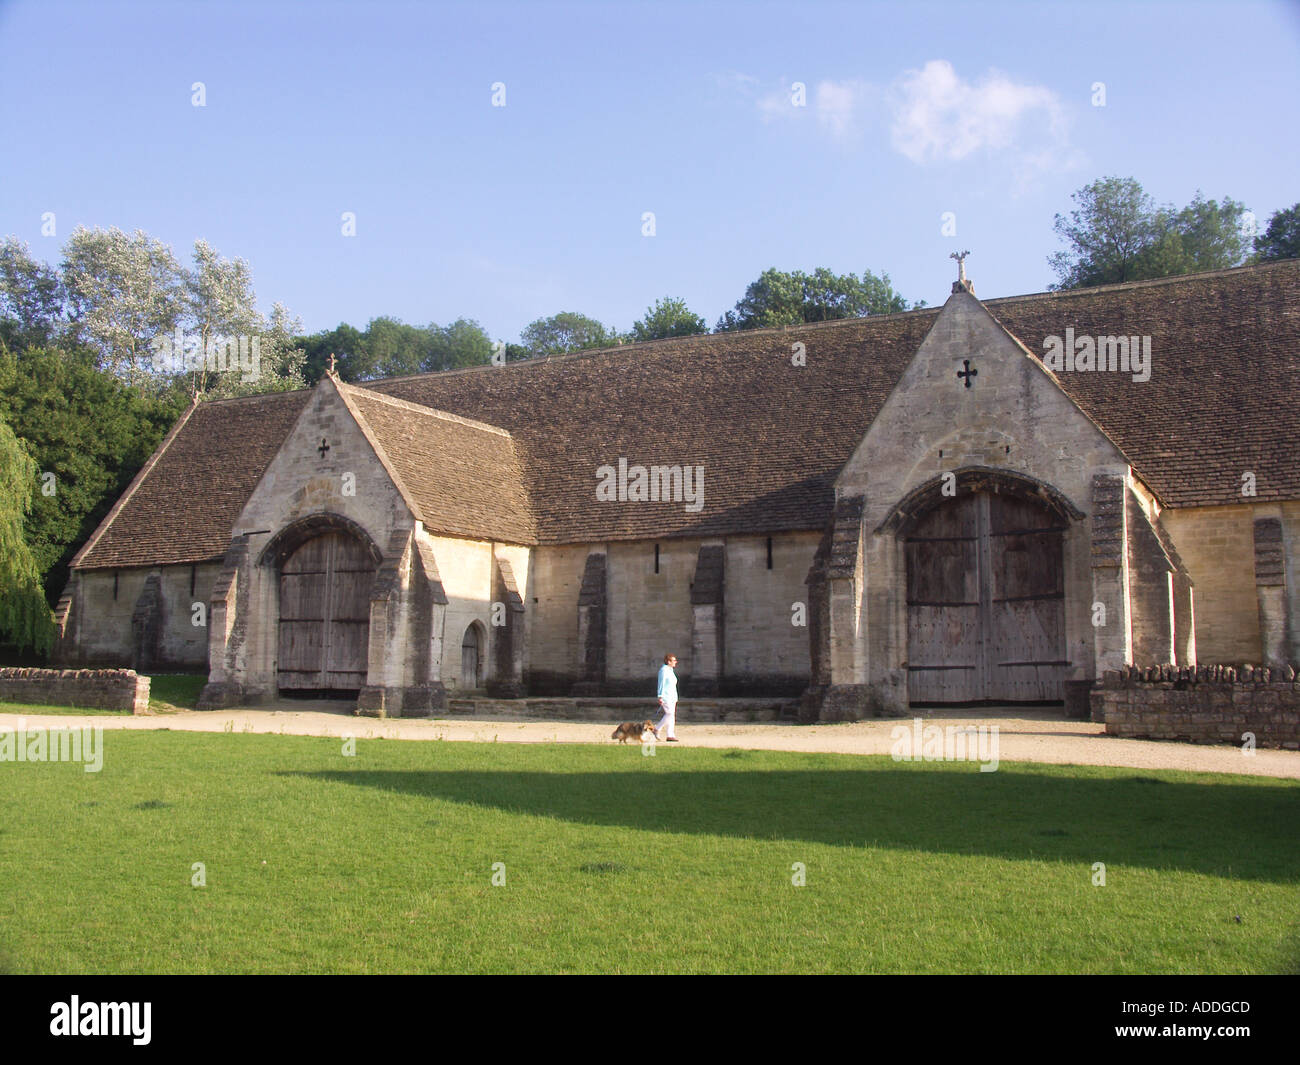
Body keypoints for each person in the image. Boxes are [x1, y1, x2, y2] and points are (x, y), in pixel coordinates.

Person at [655, 653, 680, 742]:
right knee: (669, 714)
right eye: (674, 660)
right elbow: (661, 683)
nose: (675, 662)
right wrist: (660, 696)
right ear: (668, 661)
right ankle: (657, 728)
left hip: (672, 696)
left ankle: (670, 735)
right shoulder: (664, 670)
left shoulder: (670, 670)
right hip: (666, 696)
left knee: (671, 715)